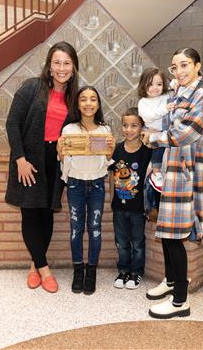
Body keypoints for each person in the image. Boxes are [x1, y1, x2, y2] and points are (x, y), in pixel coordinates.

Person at [141, 48, 203, 319]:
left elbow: (188, 132)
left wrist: (154, 138)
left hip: (186, 175)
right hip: (170, 172)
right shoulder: (179, 92)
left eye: (185, 65)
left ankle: (180, 301)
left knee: (174, 236)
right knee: (166, 229)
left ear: (197, 66)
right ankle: (171, 280)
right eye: (175, 67)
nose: (180, 71)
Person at [5, 41, 79, 293]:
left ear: (73, 67)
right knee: (30, 213)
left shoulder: (74, 97)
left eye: (67, 63)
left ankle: (34, 265)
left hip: (55, 161)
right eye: (57, 62)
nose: (61, 68)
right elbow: (12, 124)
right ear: (49, 66)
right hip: (29, 159)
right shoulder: (31, 88)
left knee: (47, 213)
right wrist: (20, 160)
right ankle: (45, 269)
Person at [57, 86, 115, 295]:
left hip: (97, 184)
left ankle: (91, 271)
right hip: (75, 184)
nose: (88, 103)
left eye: (93, 99)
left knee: (95, 228)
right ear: (78, 104)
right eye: (83, 99)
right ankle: (77, 270)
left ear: (98, 104)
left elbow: (107, 161)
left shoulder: (104, 130)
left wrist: (109, 152)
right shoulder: (69, 130)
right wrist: (60, 152)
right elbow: (65, 161)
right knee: (76, 229)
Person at [109, 107, 152, 290]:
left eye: (134, 125)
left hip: (138, 207)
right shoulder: (117, 149)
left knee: (138, 242)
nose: (129, 129)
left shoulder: (147, 152)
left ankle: (136, 272)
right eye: (125, 125)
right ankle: (123, 270)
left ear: (142, 127)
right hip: (119, 206)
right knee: (121, 241)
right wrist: (112, 200)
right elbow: (112, 177)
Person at [137, 67, 169, 193]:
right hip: (152, 131)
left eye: (159, 84)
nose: (155, 88)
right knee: (157, 150)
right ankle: (156, 173)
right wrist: (165, 109)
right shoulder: (143, 102)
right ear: (143, 85)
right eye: (150, 84)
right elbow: (148, 116)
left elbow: (174, 89)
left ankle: (159, 172)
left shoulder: (165, 96)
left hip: (166, 132)